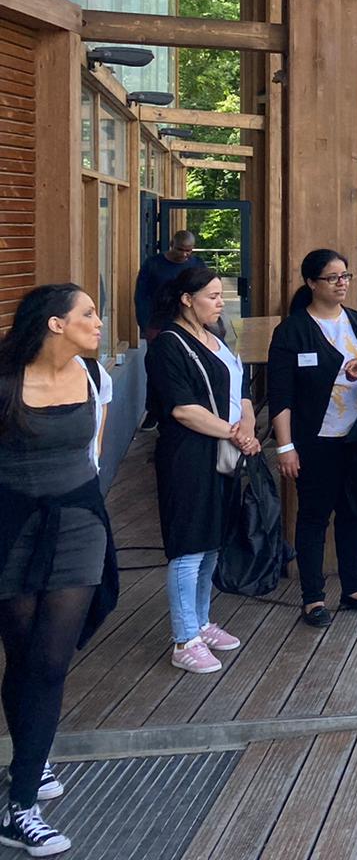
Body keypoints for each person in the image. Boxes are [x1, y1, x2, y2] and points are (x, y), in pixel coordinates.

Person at [0, 285, 118, 858]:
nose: (99, 323)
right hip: (12, 528)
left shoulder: (95, 377)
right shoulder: (5, 381)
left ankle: (21, 805)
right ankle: (33, 756)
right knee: (21, 656)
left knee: (49, 661)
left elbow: (92, 455)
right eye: (88, 314)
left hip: (78, 525)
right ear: (53, 324)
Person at [267, 250, 357, 630]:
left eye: (345, 275)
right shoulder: (293, 331)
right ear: (312, 283)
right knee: (314, 516)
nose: (342, 283)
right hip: (315, 441)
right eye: (332, 277)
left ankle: (353, 588)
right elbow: (281, 394)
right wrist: (285, 446)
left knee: (355, 514)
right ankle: (313, 597)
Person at [145, 267, 254, 674]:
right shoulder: (168, 345)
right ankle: (184, 638)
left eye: (220, 295)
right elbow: (182, 408)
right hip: (188, 454)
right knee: (188, 546)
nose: (219, 302)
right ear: (186, 299)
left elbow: (239, 387)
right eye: (210, 296)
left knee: (211, 542)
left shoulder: (217, 337)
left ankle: (202, 621)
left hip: (223, 451)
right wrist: (235, 433)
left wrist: (246, 426)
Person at [134, 231, 200, 340]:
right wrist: (144, 325)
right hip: (157, 322)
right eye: (180, 249)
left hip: (188, 321)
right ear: (171, 244)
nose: (184, 254)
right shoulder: (153, 264)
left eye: (188, 250)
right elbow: (141, 296)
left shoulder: (197, 264)